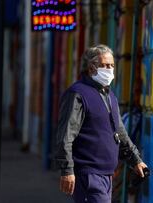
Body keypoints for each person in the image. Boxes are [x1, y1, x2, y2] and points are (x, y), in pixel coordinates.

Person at [54, 44, 148, 203]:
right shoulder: (78, 94)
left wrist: (136, 160)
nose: (110, 70)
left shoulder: (109, 95)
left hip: (106, 175)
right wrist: (67, 170)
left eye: (112, 65)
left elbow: (120, 132)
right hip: (89, 175)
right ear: (91, 68)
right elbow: (66, 136)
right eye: (105, 66)